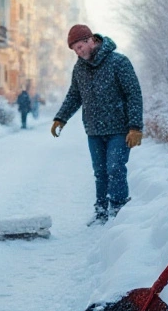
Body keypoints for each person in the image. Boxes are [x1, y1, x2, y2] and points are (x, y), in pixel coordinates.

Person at [51, 25, 144, 225]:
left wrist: (135, 126)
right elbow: (74, 96)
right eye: (75, 49)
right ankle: (101, 211)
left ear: (91, 40)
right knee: (100, 172)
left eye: (80, 46)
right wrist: (61, 118)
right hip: (94, 130)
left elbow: (133, 94)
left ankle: (119, 211)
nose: (78, 52)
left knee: (115, 168)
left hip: (119, 129)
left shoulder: (118, 62)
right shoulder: (80, 68)